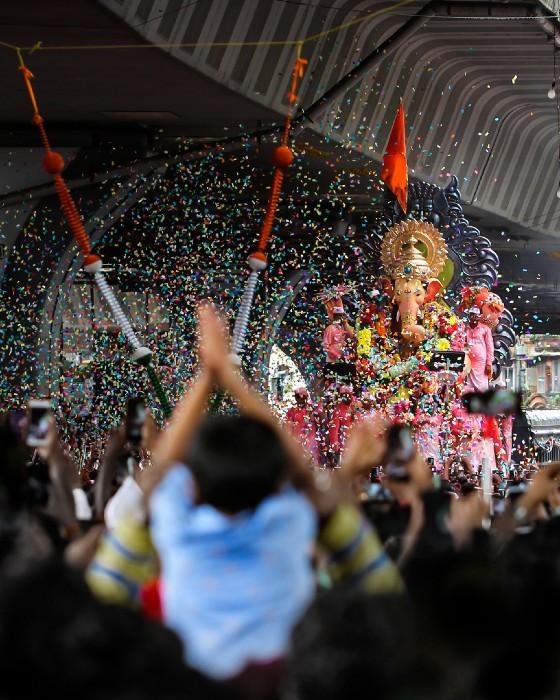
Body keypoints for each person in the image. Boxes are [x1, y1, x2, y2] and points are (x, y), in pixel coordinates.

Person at [464, 307, 494, 392]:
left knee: (482, 388)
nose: (474, 318)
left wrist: (489, 363)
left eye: (476, 316)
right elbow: (463, 344)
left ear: (478, 317)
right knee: (468, 387)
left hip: (481, 363)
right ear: (469, 316)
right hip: (468, 362)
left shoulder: (485, 329)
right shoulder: (465, 328)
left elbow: (490, 347)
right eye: (472, 315)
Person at [285, 387, 319, 462]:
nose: (300, 399)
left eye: (303, 397)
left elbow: (316, 426)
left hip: (310, 445)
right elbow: (288, 428)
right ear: (296, 398)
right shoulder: (291, 411)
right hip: (296, 445)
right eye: (298, 397)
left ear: (306, 398)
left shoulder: (312, 410)